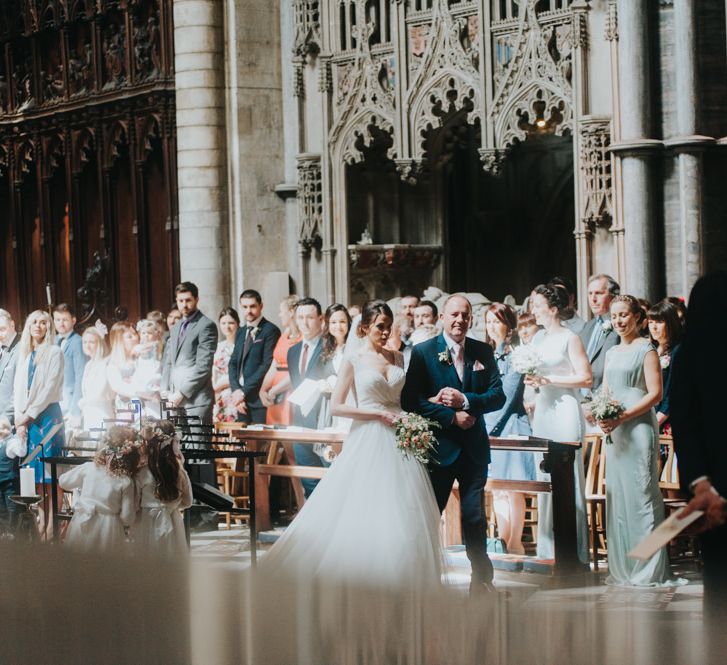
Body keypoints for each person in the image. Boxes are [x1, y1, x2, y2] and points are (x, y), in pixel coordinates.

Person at [260, 299, 442, 588]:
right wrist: (377, 414)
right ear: (366, 327)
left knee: (402, 508)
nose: (385, 333)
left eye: (389, 327)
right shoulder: (353, 359)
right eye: (380, 327)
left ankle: (399, 575)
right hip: (368, 435)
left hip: (398, 439)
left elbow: (406, 401)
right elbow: (337, 406)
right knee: (364, 503)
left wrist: (426, 406)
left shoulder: (397, 358)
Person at [402, 295, 506, 594]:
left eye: (465, 314)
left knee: (474, 516)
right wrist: (451, 417)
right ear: (442, 318)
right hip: (440, 448)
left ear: (471, 318)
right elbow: (411, 401)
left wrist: (467, 401)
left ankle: (482, 579)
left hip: (473, 448)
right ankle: (421, 575)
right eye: (454, 315)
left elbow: (497, 395)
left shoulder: (482, 351)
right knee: (429, 513)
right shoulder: (423, 352)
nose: (460, 320)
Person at [598, 295, 682, 587]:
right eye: (614, 316)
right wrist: (601, 414)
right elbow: (606, 391)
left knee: (643, 497)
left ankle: (649, 567)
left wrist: (622, 417)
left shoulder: (646, 349)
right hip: (616, 432)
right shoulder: (611, 353)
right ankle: (624, 567)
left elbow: (655, 395)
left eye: (624, 315)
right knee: (619, 498)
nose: (619, 321)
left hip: (638, 429)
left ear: (638, 318)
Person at [671, 271, 727, 659]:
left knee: (720, 581)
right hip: (715, 490)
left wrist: (702, 483)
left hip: (712, 490)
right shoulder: (690, 353)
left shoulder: (687, 352)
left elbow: (684, 423)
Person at [527, 284, 591, 563]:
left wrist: (550, 380)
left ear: (553, 309)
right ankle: (547, 549)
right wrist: (532, 380)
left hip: (564, 408)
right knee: (544, 476)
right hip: (543, 408)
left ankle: (572, 552)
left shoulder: (570, 337)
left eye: (538, 305)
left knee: (567, 477)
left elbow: (585, 378)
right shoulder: (537, 338)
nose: (533, 310)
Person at [483, 303, 534, 555]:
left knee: (513, 487)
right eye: (488, 321)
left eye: (497, 321)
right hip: (487, 425)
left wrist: (490, 428)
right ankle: (502, 539)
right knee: (498, 488)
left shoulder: (516, 356)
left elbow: (508, 396)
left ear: (509, 325)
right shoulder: (485, 356)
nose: (492, 327)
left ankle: (515, 541)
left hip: (510, 423)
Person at [273, 298, 332, 497]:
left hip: (325, 422)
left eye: (309, 317)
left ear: (321, 319)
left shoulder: (329, 348)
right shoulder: (293, 351)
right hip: (300, 422)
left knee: (330, 478)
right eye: (300, 317)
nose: (304, 323)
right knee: (309, 482)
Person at [59, 426, 140, 553]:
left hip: (83, 521)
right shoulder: (125, 481)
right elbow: (127, 517)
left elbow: (63, 481)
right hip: (108, 529)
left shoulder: (89, 468)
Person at [13, 310, 66, 497]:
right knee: (34, 475)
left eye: (43, 322)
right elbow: (18, 389)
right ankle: (42, 524)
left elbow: (49, 389)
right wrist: (19, 419)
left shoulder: (54, 352)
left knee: (51, 475)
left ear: (48, 327)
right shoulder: (25, 354)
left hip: (48, 416)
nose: (38, 325)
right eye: (34, 321)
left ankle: (53, 525)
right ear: (28, 326)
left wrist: (27, 416)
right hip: (29, 420)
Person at [161, 282, 218, 424]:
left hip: (197, 400)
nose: (184, 305)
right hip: (174, 400)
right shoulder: (176, 328)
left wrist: (181, 393)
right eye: (180, 301)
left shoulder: (206, 326)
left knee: (198, 446)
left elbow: (203, 367)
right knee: (181, 445)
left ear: (196, 300)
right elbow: (168, 362)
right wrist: (165, 391)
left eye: (188, 300)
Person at [134, 420, 192, 556]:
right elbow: (188, 502)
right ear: (173, 442)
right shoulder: (179, 471)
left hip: (147, 521)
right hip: (173, 520)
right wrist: (171, 506)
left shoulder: (142, 472)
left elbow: (135, 503)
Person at [228, 289, 281, 424]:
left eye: (252, 306)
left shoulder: (271, 330)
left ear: (261, 306)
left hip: (258, 400)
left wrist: (243, 392)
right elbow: (233, 363)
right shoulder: (240, 332)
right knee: (244, 443)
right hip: (241, 401)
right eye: (245, 307)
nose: (248, 311)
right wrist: (236, 391)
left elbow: (266, 364)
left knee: (261, 443)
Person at [260, 295, 301, 425]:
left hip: (290, 389)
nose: (279, 315)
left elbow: (298, 370)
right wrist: (263, 389)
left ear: (291, 312)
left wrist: (274, 390)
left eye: (281, 311)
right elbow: (275, 363)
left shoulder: (303, 337)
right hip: (275, 392)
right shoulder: (285, 334)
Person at [578, 274, 620, 392]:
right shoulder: (587, 327)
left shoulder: (620, 326)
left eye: (599, 293)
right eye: (590, 293)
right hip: (580, 395)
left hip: (606, 396)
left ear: (613, 296)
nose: (593, 299)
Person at [647, 299, 683, 434]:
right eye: (651, 322)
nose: (654, 327)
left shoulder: (678, 350)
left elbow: (674, 389)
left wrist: (658, 419)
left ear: (671, 323)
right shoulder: (652, 348)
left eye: (659, 322)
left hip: (667, 419)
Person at [316, 303, 351, 431]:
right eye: (333, 322)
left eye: (342, 321)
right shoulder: (326, 349)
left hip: (349, 404)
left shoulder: (354, 349)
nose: (338, 326)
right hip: (330, 405)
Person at [53, 303, 87, 428]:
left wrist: (75, 411)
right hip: (55, 403)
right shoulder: (53, 340)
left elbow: (80, 377)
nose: (61, 324)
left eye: (65, 320)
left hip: (70, 403)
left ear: (73, 320)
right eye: (57, 320)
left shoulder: (77, 342)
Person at [78, 324, 115, 431]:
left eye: (91, 342)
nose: (87, 345)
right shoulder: (88, 364)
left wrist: (83, 401)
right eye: (85, 342)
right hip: (89, 414)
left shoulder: (106, 363)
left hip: (102, 414)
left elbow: (100, 390)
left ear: (99, 343)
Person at [106, 322, 140, 418]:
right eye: (129, 337)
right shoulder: (113, 364)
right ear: (119, 341)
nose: (135, 338)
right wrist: (140, 390)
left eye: (135, 334)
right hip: (127, 410)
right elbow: (118, 386)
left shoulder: (142, 359)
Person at [212, 307, 240, 423]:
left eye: (231, 323)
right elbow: (213, 372)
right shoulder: (218, 347)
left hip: (234, 392)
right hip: (218, 394)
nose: (227, 327)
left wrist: (224, 384)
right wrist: (215, 389)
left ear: (238, 324)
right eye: (223, 323)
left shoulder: (240, 347)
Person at [132, 319, 164, 417]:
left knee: (155, 413)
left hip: (154, 378)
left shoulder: (158, 345)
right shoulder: (138, 347)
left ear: (155, 334)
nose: (146, 335)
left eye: (149, 333)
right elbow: (134, 353)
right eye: (143, 333)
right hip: (142, 378)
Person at [0, 418, 25, 535]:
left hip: (10, 483)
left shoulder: (11, 443)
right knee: (2, 510)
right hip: (1, 484)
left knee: (12, 509)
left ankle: (12, 533)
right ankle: (4, 533)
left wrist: (21, 439)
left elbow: (21, 452)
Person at [0, 309, 20, 425]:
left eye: (2, 329)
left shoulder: (22, 349)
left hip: (10, 421)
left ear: (12, 325)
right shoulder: (4, 348)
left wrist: (6, 418)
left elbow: (19, 390)